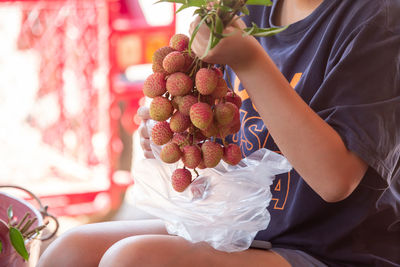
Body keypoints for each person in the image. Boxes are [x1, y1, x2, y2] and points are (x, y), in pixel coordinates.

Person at [38, 0, 400, 266]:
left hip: (330, 249)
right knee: (70, 250)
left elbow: (335, 181)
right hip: (237, 226)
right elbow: (220, 131)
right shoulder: (241, 8)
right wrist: (175, 131)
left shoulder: (379, 19)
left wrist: (250, 60)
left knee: (132, 261)